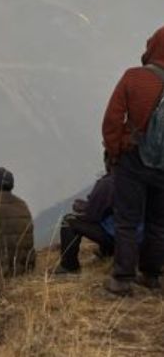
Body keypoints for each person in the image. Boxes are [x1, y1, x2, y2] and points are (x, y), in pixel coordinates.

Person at [103, 25, 164, 295]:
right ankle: (151, 275)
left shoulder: (135, 77)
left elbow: (112, 121)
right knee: (158, 222)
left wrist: (115, 152)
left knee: (126, 220)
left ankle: (123, 279)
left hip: (133, 159)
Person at [54, 153, 116, 274]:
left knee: (69, 221)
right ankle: (107, 252)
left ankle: (69, 267)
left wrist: (82, 208)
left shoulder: (108, 183)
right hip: (139, 237)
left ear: (109, 162)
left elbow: (92, 216)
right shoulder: (136, 179)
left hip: (120, 237)